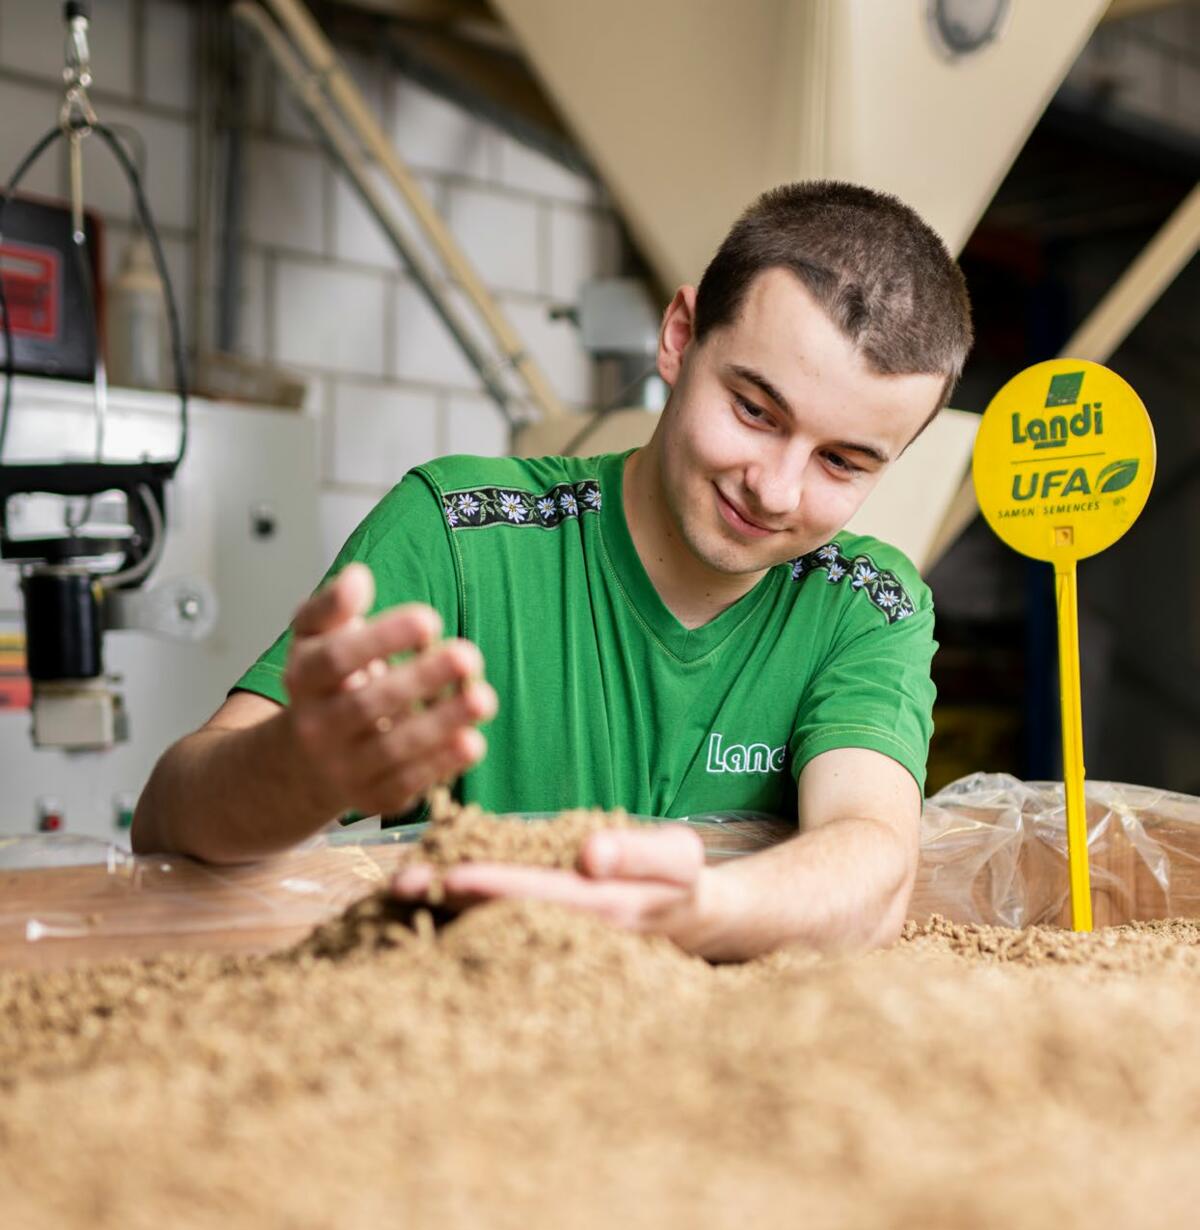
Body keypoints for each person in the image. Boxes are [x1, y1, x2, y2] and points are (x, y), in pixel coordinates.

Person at [132, 180, 973, 961]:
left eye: (844, 462)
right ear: (679, 339)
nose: (776, 487)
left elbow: (873, 861)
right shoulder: (460, 535)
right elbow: (167, 817)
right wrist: (294, 770)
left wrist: (690, 912)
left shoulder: (865, 601)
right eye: (754, 411)